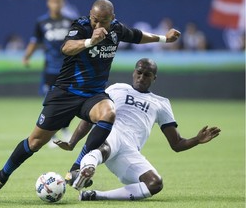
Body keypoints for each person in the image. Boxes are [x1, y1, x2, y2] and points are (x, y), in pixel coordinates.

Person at [0, 0, 180, 199]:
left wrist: (164, 39)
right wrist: (90, 41)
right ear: (90, 16)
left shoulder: (117, 30)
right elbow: (66, 48)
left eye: (103, 21)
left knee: (108, 112)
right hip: (66, 93)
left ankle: (76, 168)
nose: (98, 25)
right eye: (95, 20)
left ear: (113, 18)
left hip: (92, 95)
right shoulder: (81, 26)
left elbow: (138, 36)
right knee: (34, 142)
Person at [56, 58, 221, 200]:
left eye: (147, 75)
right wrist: (72, 142)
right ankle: (86, 168)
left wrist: (197, 140)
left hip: (129, 151)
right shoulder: (116, 89)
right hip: (112, 134)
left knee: (155, 184)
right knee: (106, 142)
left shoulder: (161, 103)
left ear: (154, 78)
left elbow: (176, 144)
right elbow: (90, 119)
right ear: (134, 73)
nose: (141, 77)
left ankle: (94, 195)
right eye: (139, 72)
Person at [23, 0, 73, 147]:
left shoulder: (70, 22)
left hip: (68, 68)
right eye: (53, 1)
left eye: (59, 1)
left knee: (69, 101)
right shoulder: (42, 22)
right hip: (50, 69)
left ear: (63, 3)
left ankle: (65, 130)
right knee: (50, 102)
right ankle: (52, 135)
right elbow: (35, 41)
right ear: (48, 3)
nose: (56, 4)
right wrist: (27, 56)